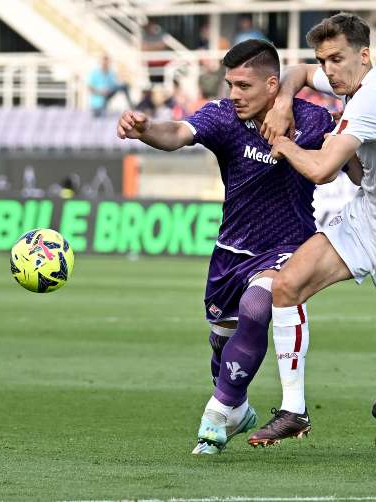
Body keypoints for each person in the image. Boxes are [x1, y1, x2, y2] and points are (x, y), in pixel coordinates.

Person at [116, 39, 340, 453]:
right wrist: (145, 129)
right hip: (230, 252)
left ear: (272, 85)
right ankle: (235, 406)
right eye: (230, 84)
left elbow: (351, 146)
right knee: (222, 349)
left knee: (259, 307)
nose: (234, 94)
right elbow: (177, 134)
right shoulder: (222, 117)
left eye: (244, 86)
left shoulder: (312, 120)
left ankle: (216, 415)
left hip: (288, 246)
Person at [257, 13, 376, 430]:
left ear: (364, 56)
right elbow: (296, 73)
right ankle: (294, 410)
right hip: (368, 219)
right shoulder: (356, 77)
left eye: (336, 60)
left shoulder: (373, 100)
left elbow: (323, 170)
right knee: (287, 285)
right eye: (323, 60)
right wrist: (282, 101)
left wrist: (278, 138)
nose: (328, 70)